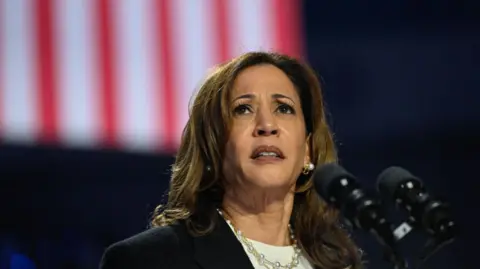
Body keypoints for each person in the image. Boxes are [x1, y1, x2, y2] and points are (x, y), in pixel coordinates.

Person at [99, 51, 363, 269]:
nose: (267, 125)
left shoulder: (340, 264)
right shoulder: (147, 261)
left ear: (307, 150)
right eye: (243, 109)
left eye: (284, 108)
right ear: (213, 145)